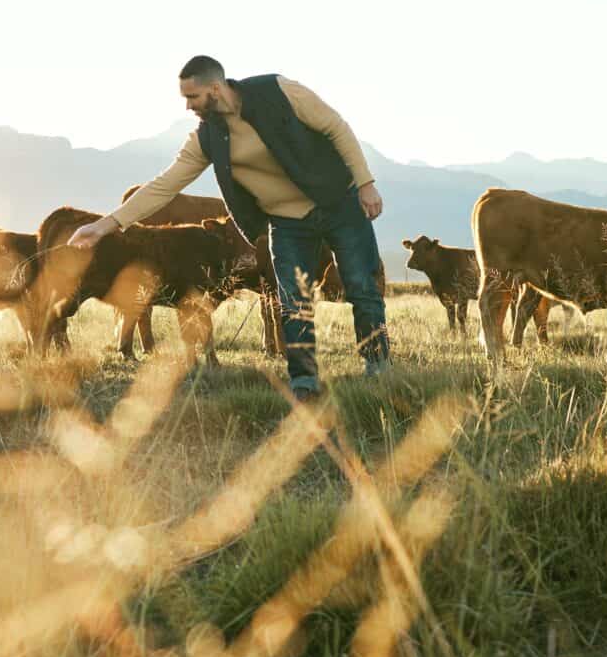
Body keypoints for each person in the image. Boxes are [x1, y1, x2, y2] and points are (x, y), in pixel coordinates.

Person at [67, 55, 390, 400]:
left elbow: (334, 126)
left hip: (337, 202)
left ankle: (377, 367)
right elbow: (165, 185)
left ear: (216, 89)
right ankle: (304, 383)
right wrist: (106, 225)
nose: (189, 106)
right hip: (286, 222)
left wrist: (365, 183)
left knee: (361, 286)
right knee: (293, 301)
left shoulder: (278, 90)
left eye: (193, 97)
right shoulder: (206, 139)